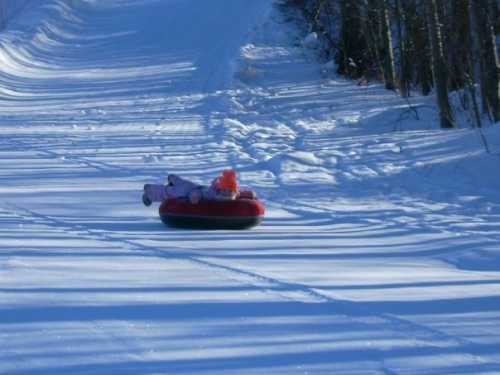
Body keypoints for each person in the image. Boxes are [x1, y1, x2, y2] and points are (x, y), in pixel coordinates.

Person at [142, 169, 255, 206]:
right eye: (224, 191)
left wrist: (250, 195)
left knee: (181, 184)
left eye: (229, 192)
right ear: (219, 189)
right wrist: (194, 197)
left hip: (194, 187)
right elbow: (198, 193)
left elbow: (243, 193)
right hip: (190, 191)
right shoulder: (212, 194)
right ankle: (149, 193)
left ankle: (173, 179)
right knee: (170, 192)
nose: (225, 194)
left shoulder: (234, 194)